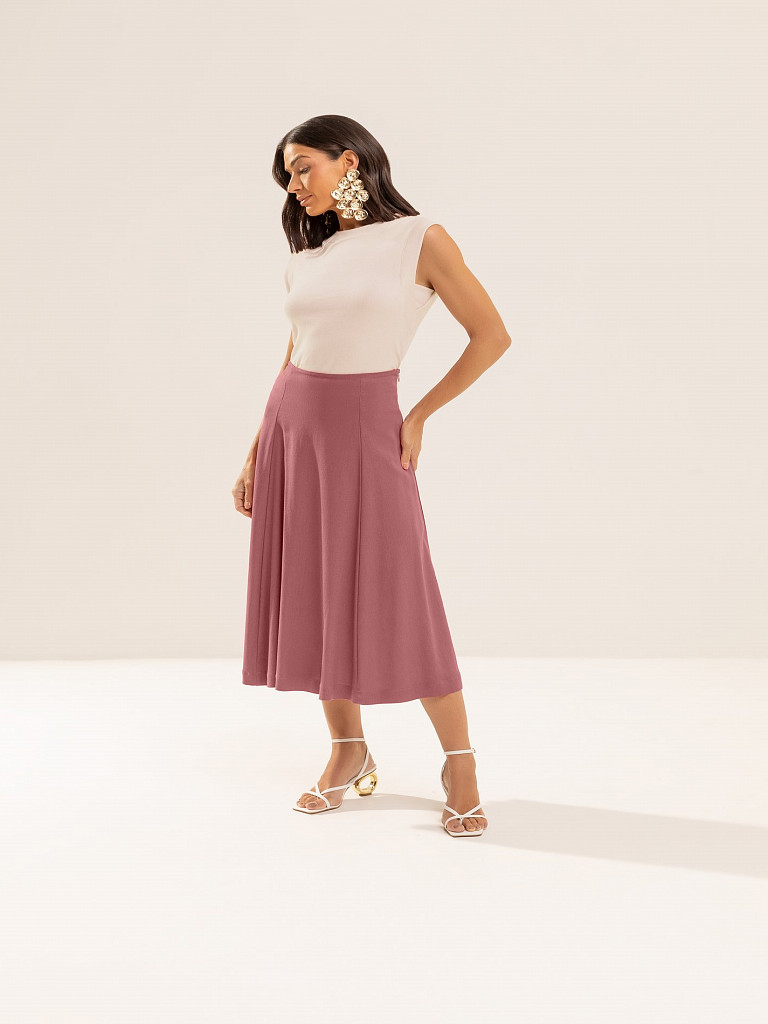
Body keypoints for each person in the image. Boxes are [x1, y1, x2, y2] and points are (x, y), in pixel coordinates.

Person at [233, 115, 511, 837]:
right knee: (318, 587)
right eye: (287, 175)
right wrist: (258, 450)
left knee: (403, 593)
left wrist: (418, 415)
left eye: (303, 167)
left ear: (349, 161)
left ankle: (460, 763)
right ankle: (347, 748)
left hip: (367, 428)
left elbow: (492, 335)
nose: (294, 185)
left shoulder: (419, 239)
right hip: (295, 428)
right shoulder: (310, 254)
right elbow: (295, 352)